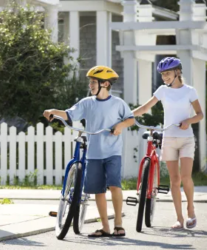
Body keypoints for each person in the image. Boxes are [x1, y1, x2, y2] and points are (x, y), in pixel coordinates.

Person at [43, 66, 134, 237]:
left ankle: (118, 225)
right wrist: (53, 111)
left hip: (113, 151)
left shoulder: (118, 103)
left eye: (94, 82)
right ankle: (105, 227)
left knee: (114, 185)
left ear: (105, 84)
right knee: (98, 190)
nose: (91, 85)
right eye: (90, 82)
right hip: (94, 153)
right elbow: (70, 114)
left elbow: (130, 119)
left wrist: (120, 125)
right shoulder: (87, 103)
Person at [132, 57, 204, 229]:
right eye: (163, 74)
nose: (164, 77)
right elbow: (144, 108)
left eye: (168, 73)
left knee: (186, 177)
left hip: (186, 139)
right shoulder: (163, 90)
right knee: (174, 180)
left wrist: (189, 120)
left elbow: (200, 114)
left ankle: (191, 209)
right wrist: (126, 115)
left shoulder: (189, 91)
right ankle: (179, 219)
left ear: (177, 72)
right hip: (169, 138)